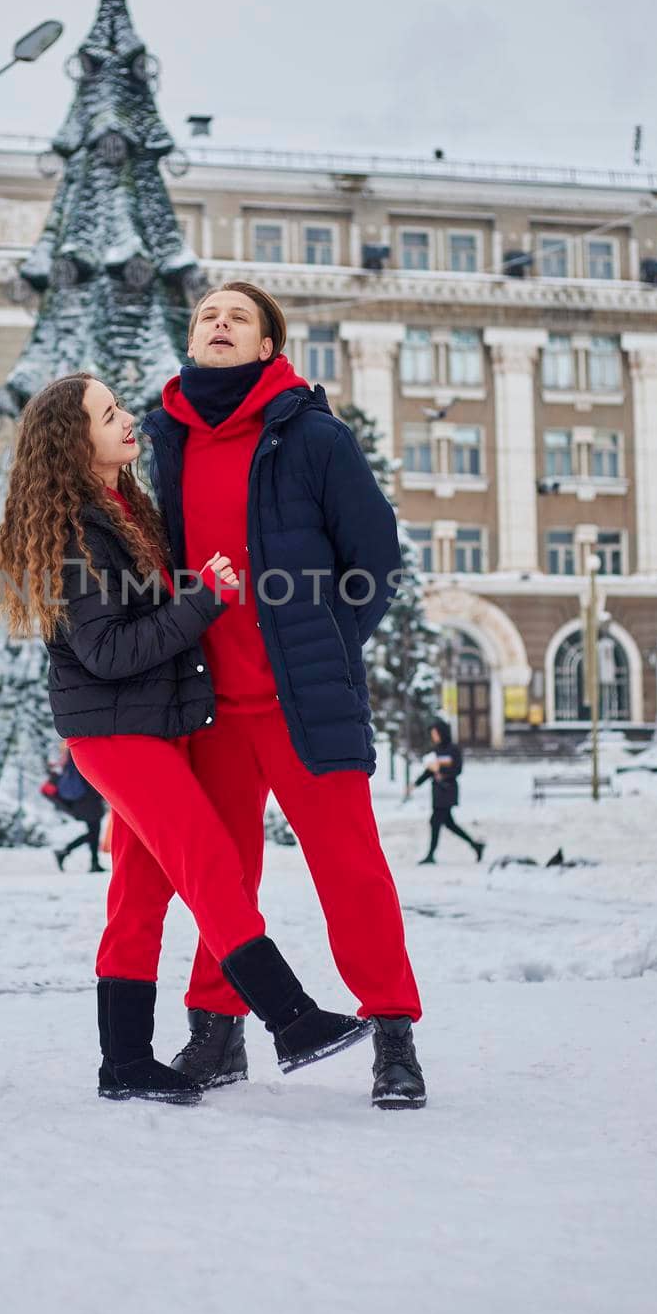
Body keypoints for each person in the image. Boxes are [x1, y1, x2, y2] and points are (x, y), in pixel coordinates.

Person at [0, 371, 374, 1106]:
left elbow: (140, 620)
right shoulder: (75, 530)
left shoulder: (119, 508)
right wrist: (202, 600)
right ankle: (290, 1018)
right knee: (209, 863)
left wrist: (187, 590)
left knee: (139, 894)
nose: (126, 419)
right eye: (108, 415)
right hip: (115, 736)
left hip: (145, 728)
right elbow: (107, 652)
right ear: (77, 444)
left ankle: (126, 1061)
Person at [141, 281, 425, 1111]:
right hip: (207, 703)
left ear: (268, 346)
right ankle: (216, 1032)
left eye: (239, 317)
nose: (219, 323)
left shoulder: (311, 436)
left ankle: (393, 1036)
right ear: (191, 341)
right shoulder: (160, 440)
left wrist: (326, 647)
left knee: (351, 870)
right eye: (206, 316)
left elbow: (374, 557)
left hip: (302, 700)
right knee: (217, 877)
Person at [409, 718, 485, 865]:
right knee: (449, 824)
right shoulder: (436, 751)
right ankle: (476, 845)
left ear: (442, 733)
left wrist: (442, 773)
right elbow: (429, 771)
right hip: (437, 792)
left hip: (448, 791)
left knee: (435, 821)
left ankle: (431, 855)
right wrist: (415, 784)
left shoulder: (453, 749)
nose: (434, 737)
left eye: (435, 733)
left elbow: (457, 770)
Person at [42, 740, 107, 872]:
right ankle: (67, 852)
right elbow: (88, 776)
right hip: (88, 799)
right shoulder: (79, 754)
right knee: (93, 832)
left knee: (93, 832)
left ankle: (93, 862)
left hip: (84, 800)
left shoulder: (69, 756)